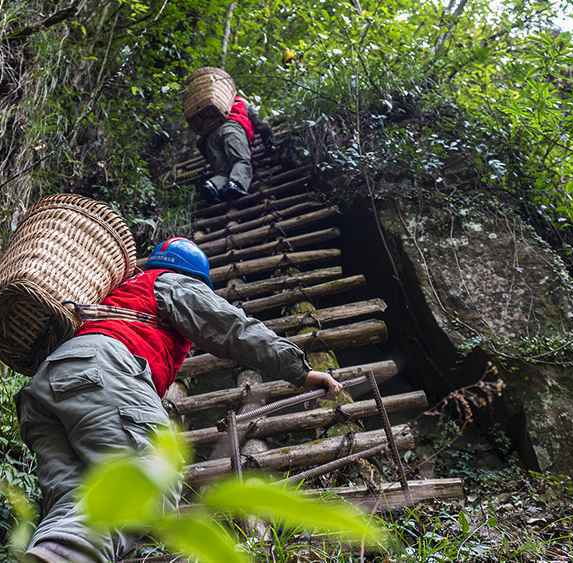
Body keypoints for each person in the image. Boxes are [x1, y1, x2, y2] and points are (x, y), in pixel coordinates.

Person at [17, 237, 342, 562]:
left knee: (74, 502)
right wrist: (300, 371)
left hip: (44, 387)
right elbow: (233, 329)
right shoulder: (170, 282)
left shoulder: (123, 293)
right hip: (102, 369)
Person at [196, 95, 274, 203]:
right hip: (232, 129)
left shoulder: (209, 105)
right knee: (240, 160)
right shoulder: (240, 101)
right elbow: (261, 124)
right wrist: (269, 144)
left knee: (222, 172)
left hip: (210, 139)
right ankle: (236, 184)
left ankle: (212, 185)